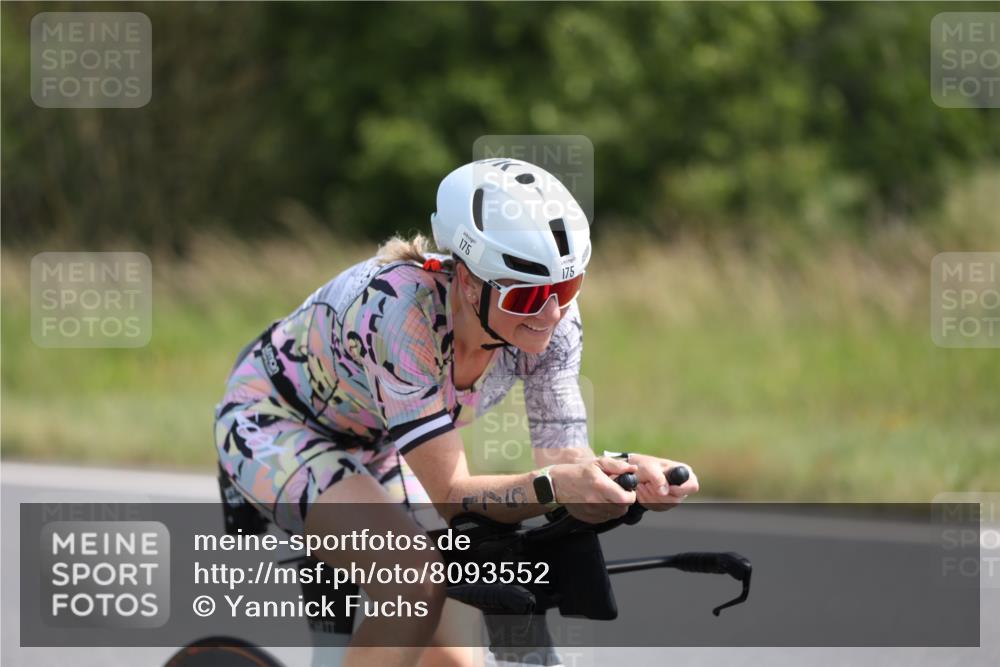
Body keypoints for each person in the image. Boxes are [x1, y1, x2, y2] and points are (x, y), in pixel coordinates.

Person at [213, 158, 699, 667]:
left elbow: (563, 460)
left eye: (567, 288)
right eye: (530, 294)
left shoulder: (550, 319)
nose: (552, 314)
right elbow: (453, 496)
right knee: (415, 580)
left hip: (382, 440)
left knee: (454, 655)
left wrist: (622, 478)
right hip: (273, 423)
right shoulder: (399, 312)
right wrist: (556, 484)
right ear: (468, 280)